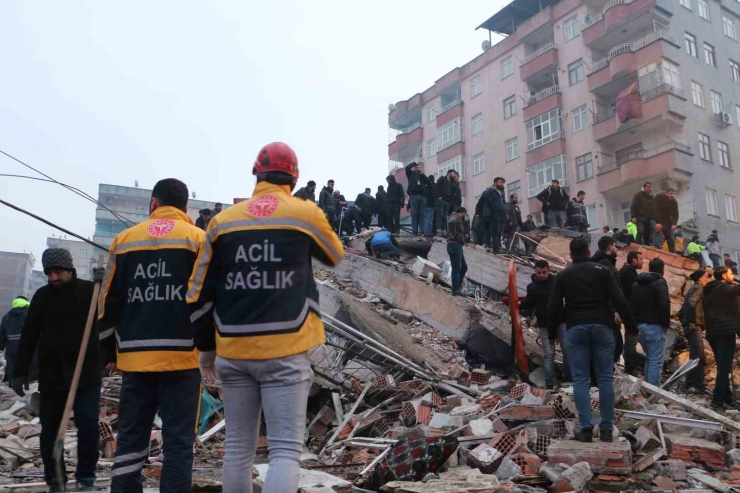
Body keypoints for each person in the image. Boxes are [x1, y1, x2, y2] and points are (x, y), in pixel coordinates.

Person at [187, 142, 344, 493]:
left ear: (256, 173)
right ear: (294, 177)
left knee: (237, 449)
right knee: (286, 452)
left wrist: (206, 347)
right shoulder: (304, 213)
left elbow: (198, 292)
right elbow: (335, 253)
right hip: (286, 349)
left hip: (232, 351)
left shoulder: (222, 222)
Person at [97, 178, 206, 493]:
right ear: (186, 208)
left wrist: (107, 353)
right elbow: (207, 299)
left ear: (153, 204)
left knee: (131, 439)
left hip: (134, 358)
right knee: (178, 442)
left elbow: (108, 302)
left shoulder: (125, 240)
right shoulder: (198, 239)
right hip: (182, 358)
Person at [14, 248, 104, 491]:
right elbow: (29, 335)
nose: (53, 277)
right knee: (51, 431)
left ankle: (86, 477)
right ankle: (56, 480)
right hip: (52, 376)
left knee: (88, 425)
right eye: (49, 273)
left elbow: (113, 311)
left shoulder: (89, 291)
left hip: (86, 374)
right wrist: (19, 370)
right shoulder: (42, 297)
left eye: (58, 271)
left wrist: (106, 285)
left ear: (70, 269)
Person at [547, 238, 637, 443]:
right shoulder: (602, 271)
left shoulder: (563, 275)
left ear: (571, 255)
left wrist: (552, 335)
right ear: (588, 252)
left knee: (580, 379)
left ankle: (586, 428)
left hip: (576, 328)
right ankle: (606, 429)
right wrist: (632, 328)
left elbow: (553, 307)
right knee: (605, 378)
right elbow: (620, 300)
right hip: (602, 327)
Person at [519, 260, 570, 389]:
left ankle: (567, 379)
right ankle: (549, 384)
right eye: (539, 273)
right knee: (549, 353)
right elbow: (529, 302)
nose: (542, 275)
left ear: (548, 270)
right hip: (544, 325)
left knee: (567, 350)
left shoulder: (557, 282)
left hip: (560, 322)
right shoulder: (532, 287)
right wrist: (516, 304)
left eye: (544, 272)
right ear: (535, 272)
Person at [701, 266, 740, 410]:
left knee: (724, 366)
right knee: (724, 368)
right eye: (730, 273)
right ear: (723, 276)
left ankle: (727, 398)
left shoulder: (709, 291)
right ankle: (717, 401)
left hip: (713, 333)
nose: (733, 275)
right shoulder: (721, 289)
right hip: (724, 333)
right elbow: (736, 290)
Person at [630, 258, 670, 386]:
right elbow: (664, 304)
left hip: (639, 326)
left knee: (650, 358)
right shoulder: (660, 283)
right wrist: (665, 325)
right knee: (656, 361)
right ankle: (653, 394)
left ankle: (647, 388)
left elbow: (631, 305)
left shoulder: (637, 284)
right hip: (654, 326)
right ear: (662, 270)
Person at [589, 236, 623, 365]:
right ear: (609, 247)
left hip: (601, 314)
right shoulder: (605, 265)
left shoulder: (597, 263)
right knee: (613, 348)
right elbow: (610, 291)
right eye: (615, 246)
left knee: (616, 346)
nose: (616, 249)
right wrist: (615, 310)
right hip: (607, 315)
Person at [679, 269, 709, 393]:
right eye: (707, 277)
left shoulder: (692, 288)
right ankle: (692, 385)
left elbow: (681, 311)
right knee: (697, 356)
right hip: (694, 326)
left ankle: (695, 385)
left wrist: (685, 322)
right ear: (701, 278)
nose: (708, 279)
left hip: (691, 326)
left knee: (698, 356)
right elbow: (691, 304)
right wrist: (693, 321)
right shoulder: (699, 288)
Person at [0, 296, 36, 384]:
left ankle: (14, 390)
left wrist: (1, 347)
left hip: (12, 352)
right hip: (30, 350)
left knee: (13, 373)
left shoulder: (6, 317)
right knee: (31, 373)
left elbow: (2, 336)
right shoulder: (32, 314)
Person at [618, 251, 643, 375]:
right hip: (626, 310)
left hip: (621, 309)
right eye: (640, 259)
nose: (642, 261)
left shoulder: (625, 271)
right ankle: (630, 367)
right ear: (634, 260)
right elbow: (632, 295)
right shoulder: (630, 273)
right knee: (630, 339)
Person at [474, 177, 507, 253]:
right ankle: (495, 249)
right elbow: (481, 203)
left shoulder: (502, 192)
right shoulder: (488, 191)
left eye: (503, 183)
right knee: (494, 232)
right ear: (495, 182)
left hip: (500, 214)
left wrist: (505, 213)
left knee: (499, 232)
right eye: (500, 182)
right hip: (493, 214)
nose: (502, 184)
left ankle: (497, 247)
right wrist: (478, 213)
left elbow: (503, 203)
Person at [447, 207, 468, 296]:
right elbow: (451, 222)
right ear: (463, 212)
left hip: (456, 245)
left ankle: (457, 288)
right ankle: (455, 290)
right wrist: (454, 233)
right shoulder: (456, 216)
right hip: (455, 245)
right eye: (465, 214)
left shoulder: (456, 217)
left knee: (463, 267)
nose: (465, 216)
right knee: (456, 268)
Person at [653, 188, 679, 253]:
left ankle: (673, 254)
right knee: (657, 230)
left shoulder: (674, 202)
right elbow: (656, 210)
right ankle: (656, 249)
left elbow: (675, 215)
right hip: (655, 219)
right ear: (666, 193)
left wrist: (674, 224)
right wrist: (658, 222)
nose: (672, 195)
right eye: (670, 193)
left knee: (671, 239)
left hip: (667, 222)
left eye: (673, 194)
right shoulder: (659, 198)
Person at [405, 162, 425, 236]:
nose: (418, 169)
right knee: (414, 214)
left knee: (422, 215)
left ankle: (422, 231)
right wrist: (414, 163)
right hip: (414, 196)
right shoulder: (411, 174)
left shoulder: (422, 176)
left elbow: (428, 184)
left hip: (423, 197)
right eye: (417, 167)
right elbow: (407, 168)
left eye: (420, 167)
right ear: (414, 168)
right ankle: (415, 232)